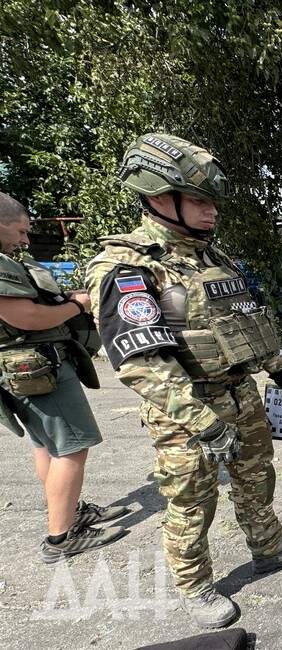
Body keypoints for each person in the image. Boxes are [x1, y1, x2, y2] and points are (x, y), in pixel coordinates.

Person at [85, 133, 282, 628]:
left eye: (211, 202)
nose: (211, 211)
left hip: (242, 393)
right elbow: (140, 360)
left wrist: (275, 368)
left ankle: (269, 550)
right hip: (187, 412)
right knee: (192, 500)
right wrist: (203, 422)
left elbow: (242, 320)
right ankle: (195, 587)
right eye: (198, 200)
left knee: (257, 479)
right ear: (156, 197)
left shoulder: (214, 258)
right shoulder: (127, 265)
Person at [0, 192, 130, 564]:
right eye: (21, 231)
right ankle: (62, 537)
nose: (25, 240)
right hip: (35, 366)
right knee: (72, 447)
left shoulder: (9, 262)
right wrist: (77, 305)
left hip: (27, 366)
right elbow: (27, 318)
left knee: (47, 446)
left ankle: (71, 513)